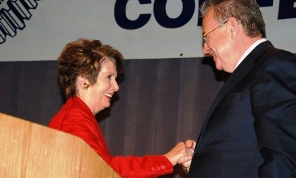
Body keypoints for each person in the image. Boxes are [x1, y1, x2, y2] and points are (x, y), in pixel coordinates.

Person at [184, 0, 296, 177]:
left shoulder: (273, 65)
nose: (205, 48)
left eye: (206, 36)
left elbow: (284, 158)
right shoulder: (251, 72)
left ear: (232, 28)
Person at [49, 38, 193, 178]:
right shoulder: (74, 118)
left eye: (115, 79)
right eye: (109, 77)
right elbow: (101, 170)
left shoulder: (77, 115)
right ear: (84, 81)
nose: (116, 87)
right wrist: (167, 160)